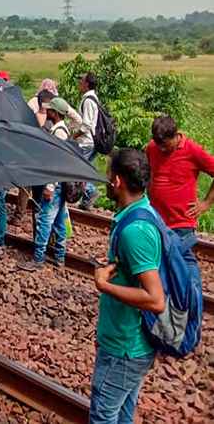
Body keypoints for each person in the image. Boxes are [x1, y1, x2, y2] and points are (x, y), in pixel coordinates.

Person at [90, 148, 164, 424]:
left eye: (110, 174)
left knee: (103, 415)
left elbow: (156, 299)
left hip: (124, 347)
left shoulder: (135, 231)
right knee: (121, 414)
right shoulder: (141, 211)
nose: (107, 180)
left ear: (118, 181)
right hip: (130, 343)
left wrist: (104, 286)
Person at [146, 115, 214, 248]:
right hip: (156, 219)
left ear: (175, 135)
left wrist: (206, 203)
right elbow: (148, 173)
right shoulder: (152, 147)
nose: (162, 149)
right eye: (159, 145)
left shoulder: (192, 150)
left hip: (181, 223)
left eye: (165, 145)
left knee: (178, 263)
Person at [19, 97, 72, 271]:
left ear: (55, 113)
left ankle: (38, 259)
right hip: (60, 185)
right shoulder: (62, 129)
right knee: (58, 222)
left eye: (50, 110)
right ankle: (59, 257)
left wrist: (50, 186)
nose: (46, 112)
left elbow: (56, 163)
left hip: (54, 186)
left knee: (44, 221)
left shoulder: (59, 133)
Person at [78, 72, 101, 209]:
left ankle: (91, 192)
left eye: (81, 80)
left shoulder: (87, 100)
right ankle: (86, 201)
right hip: (92, 141)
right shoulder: (94, 98)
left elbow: (86, 125)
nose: (79, 83)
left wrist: (74, 136)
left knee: (77, 169)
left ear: (87, 84)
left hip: (86, 142)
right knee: (84, 170)